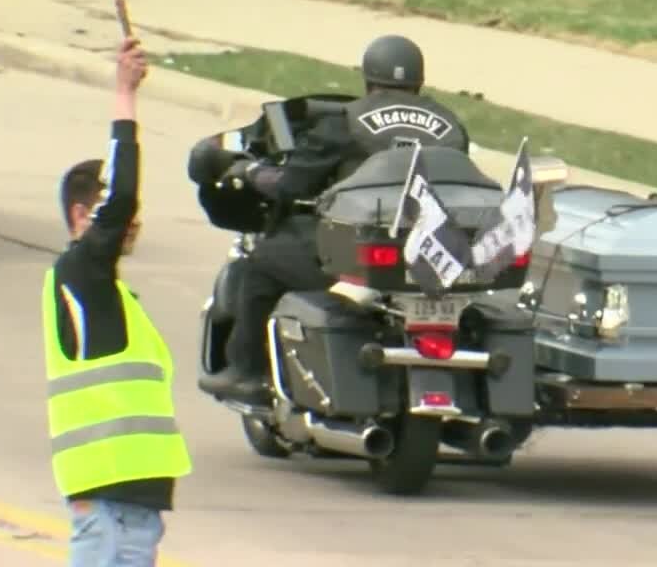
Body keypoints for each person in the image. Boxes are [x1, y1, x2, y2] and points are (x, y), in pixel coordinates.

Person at [199, 34, 470, 402]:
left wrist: (250, 173)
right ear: (419, 79)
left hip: (361, 254)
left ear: (368, 76)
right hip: (429, 257)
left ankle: (247, 370)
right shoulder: (451, 126)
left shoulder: (347, 122)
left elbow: (290, 184)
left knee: (258, 266)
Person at [42, 36, 192, 566]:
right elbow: (122, 191)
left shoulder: (109, 292)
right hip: (107, 503)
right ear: (83, 217)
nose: (131, 224)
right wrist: (125, 95)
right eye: (117, 216)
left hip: (130, 504)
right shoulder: (80, 270)